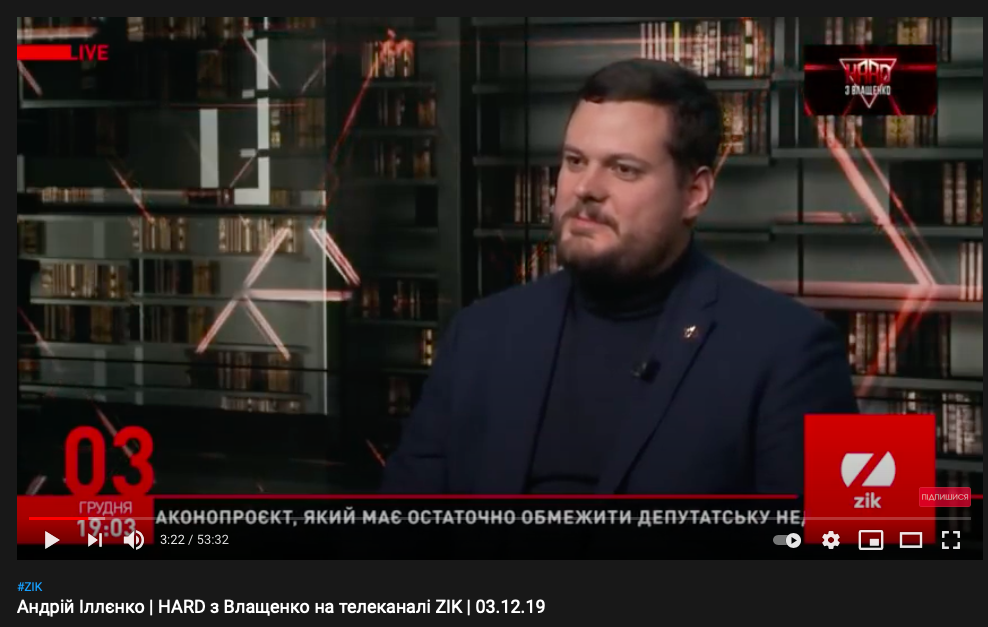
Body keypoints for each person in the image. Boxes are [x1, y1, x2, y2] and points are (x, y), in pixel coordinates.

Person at [382, 59, 858, 495]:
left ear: (694, 193)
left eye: (624, 169)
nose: (586, 188)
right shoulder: (479, 334)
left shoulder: (795, 351)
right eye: (575, 161)